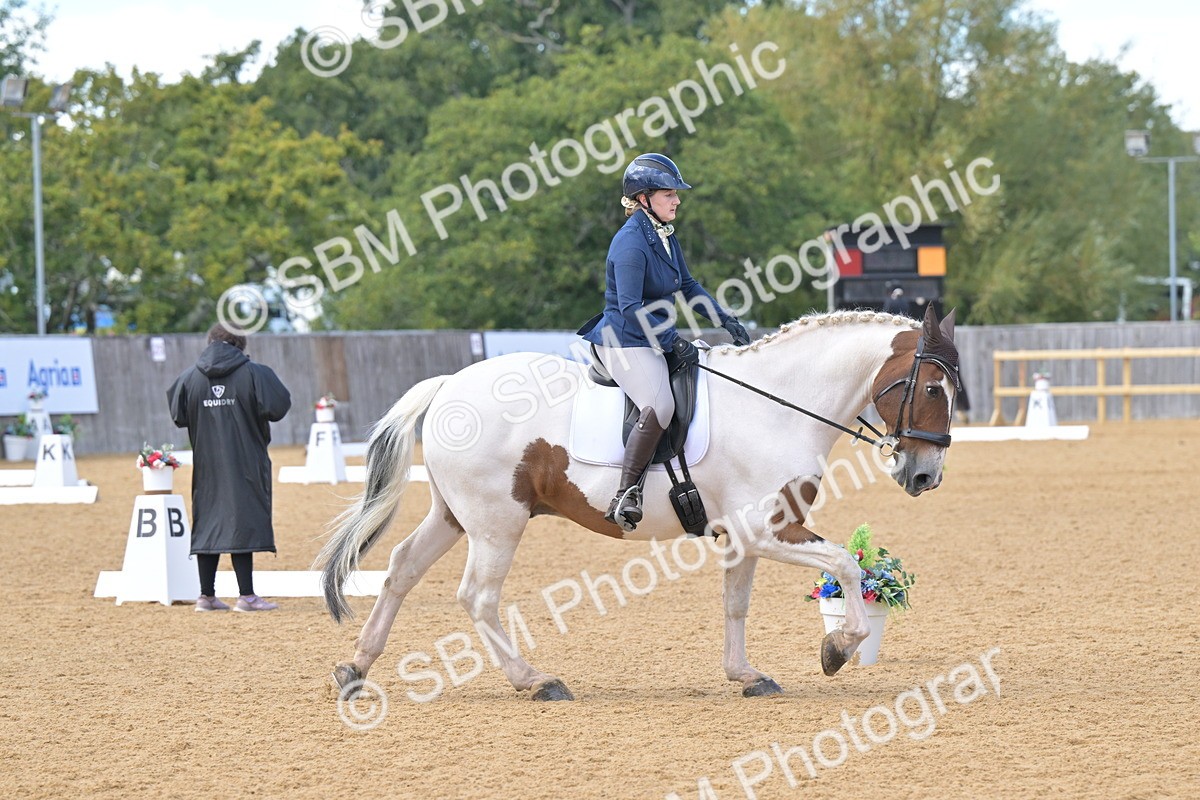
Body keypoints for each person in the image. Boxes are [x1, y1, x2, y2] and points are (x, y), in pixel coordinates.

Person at [578, 153, 749, 531]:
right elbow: (628, 307)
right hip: (623, 340)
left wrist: (726, 319)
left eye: (676, 194)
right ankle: (627, 492)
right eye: (669, 194)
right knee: (659, 405)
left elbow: (688, 286)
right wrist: (672, 340)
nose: (677, 200)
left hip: (648, 336)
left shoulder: (665, 237)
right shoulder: (630, 244)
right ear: (643, 198)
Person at [167, 322, 291, 612]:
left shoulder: (189, 378)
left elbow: (178, 414)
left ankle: (206, 596)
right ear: (240, 345)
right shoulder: (254, 373)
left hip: (207, 462)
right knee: (242, 519)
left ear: (210, 342)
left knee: (207, 519)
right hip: (246, 459)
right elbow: (279, 407)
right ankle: (246, 596)